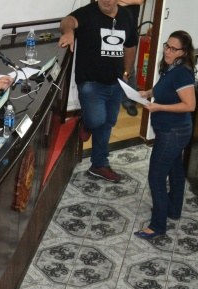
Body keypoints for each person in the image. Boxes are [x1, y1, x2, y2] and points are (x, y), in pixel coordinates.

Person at [59, 0, 138, 183]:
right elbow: (67, 21)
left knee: (108, 122)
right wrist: (69, 32)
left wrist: (127, 72)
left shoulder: (126, 15)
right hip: (90, 82)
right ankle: (87, 122)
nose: (106, 1)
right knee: (97, 120)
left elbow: (130, 45)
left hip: (116, 82)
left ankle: (99, 164)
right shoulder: (87, 13)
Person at [134, 30, 196, 240]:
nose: (167, 51)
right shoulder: (171, 67)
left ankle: (157, 225)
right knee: (175, 170)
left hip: (173, 133)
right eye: (167, 46)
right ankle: (173, 210)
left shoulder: (182, 73)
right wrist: (147, 93)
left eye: (173, 49)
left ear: (183, 52)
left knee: (156, 176)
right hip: (171, 130)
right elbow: (164, 89)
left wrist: (159, 107)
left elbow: (190, 105)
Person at [119, 0, 144, 116]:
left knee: (129, 64)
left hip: (130, 26)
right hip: (112, 25)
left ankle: (130, 100)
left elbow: (139, 1)